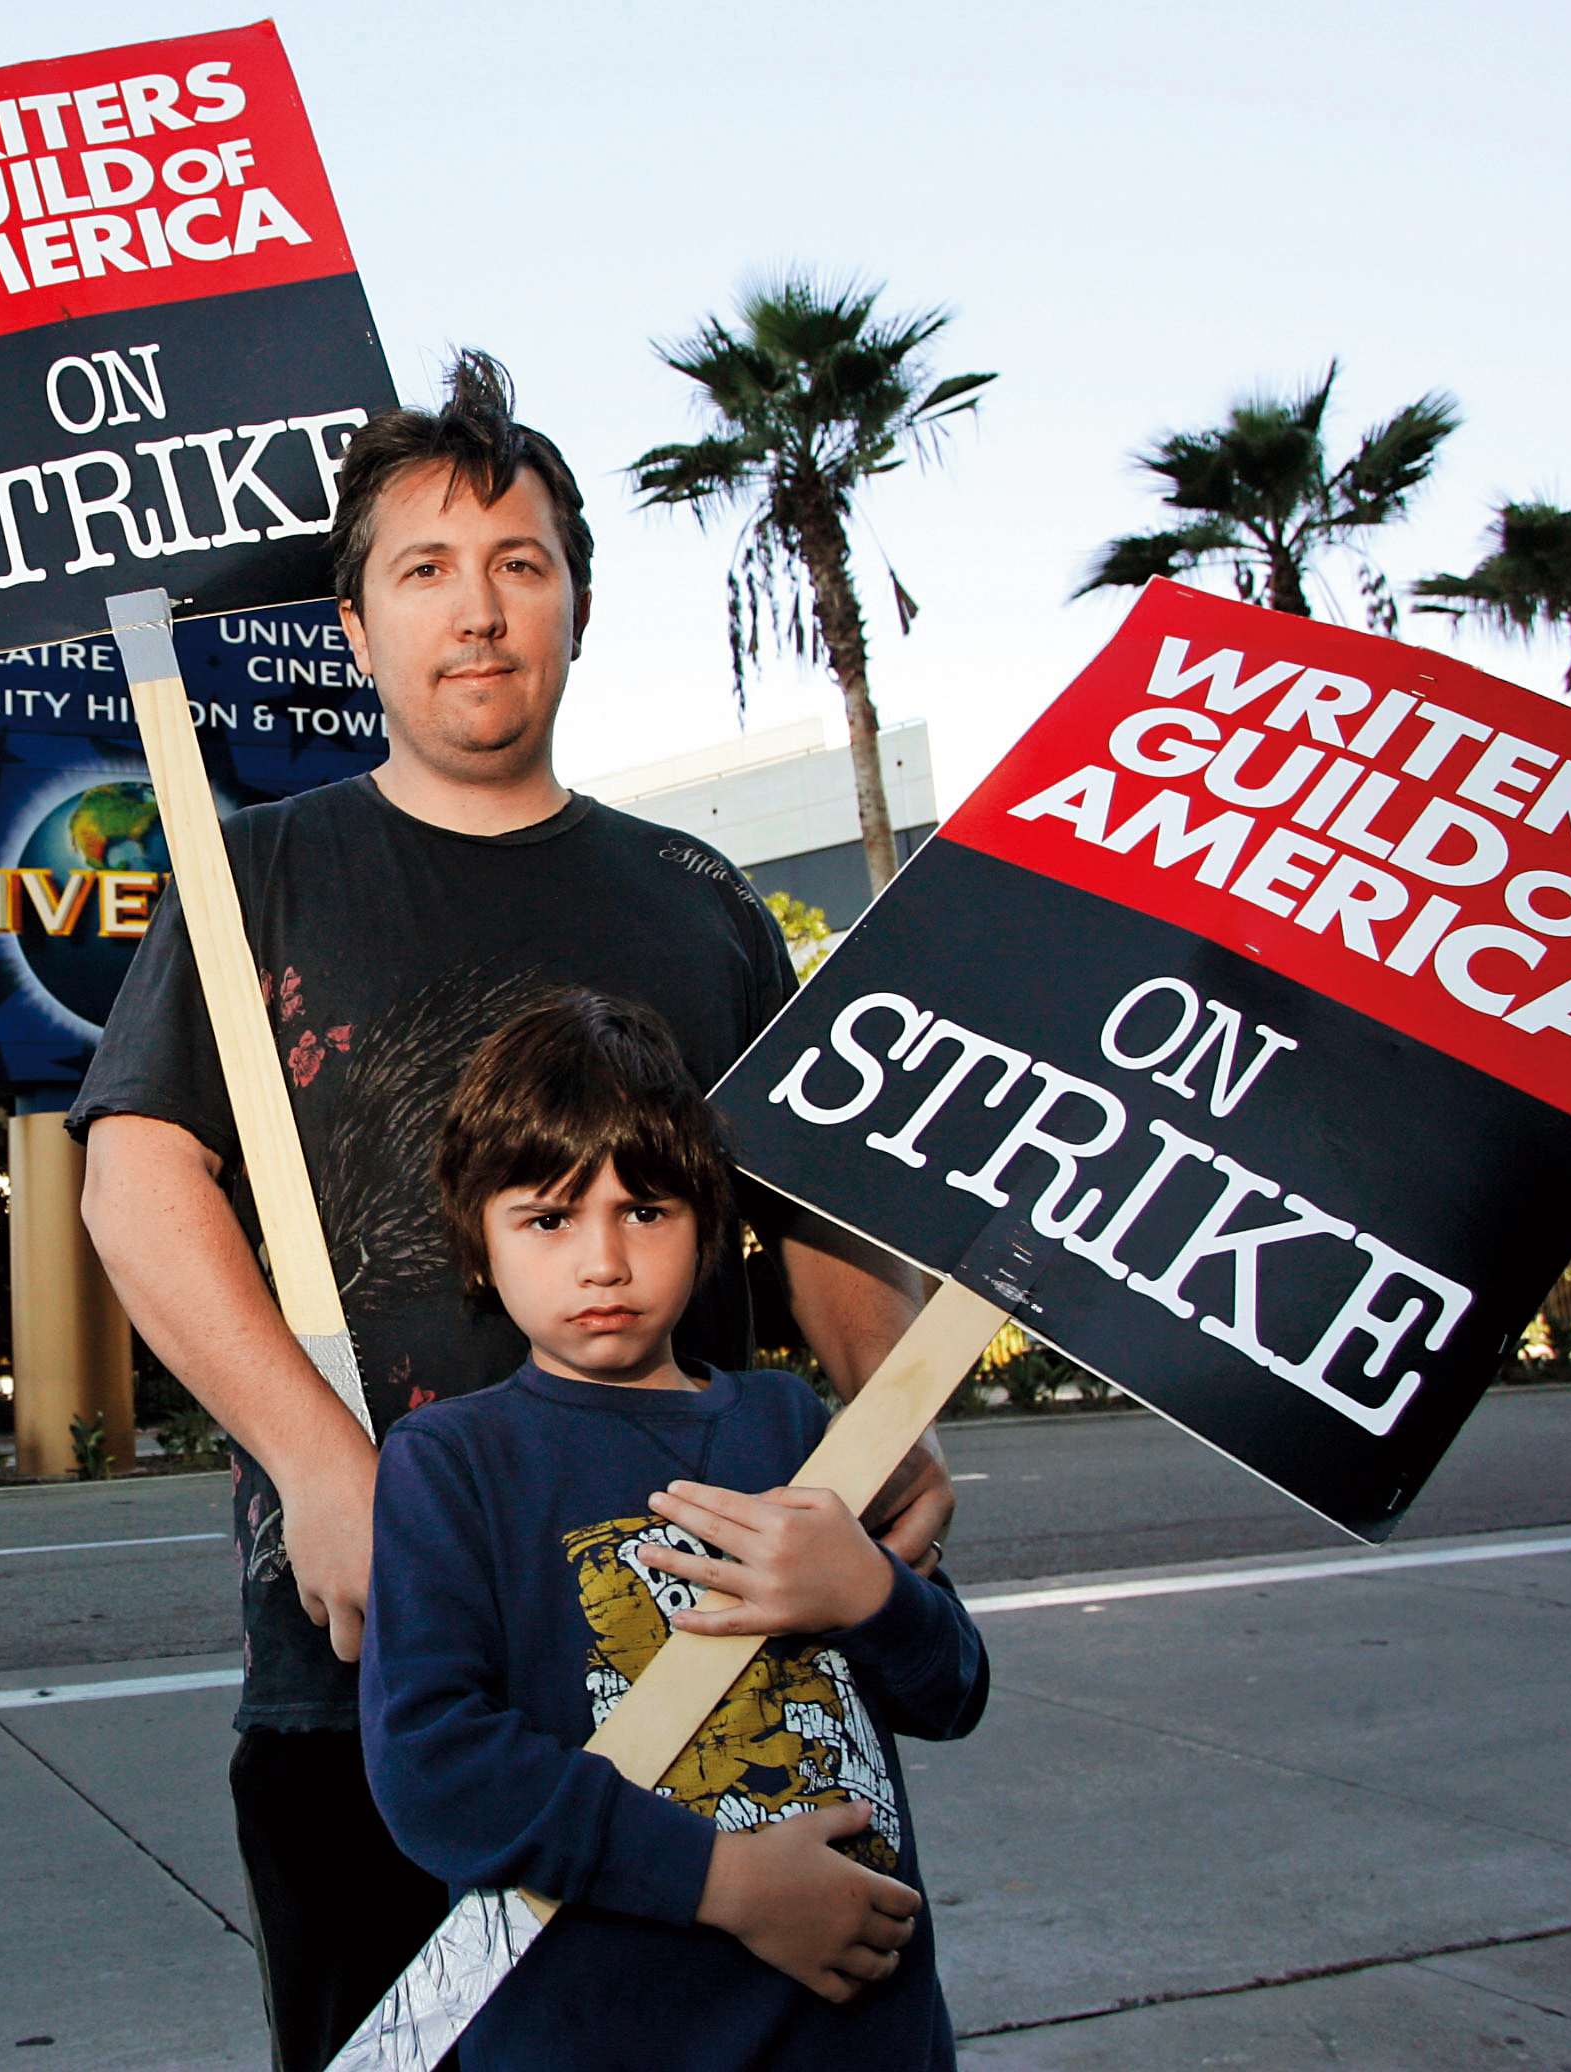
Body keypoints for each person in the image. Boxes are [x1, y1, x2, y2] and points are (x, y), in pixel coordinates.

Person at [71, 351, 954, 2070]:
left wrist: (881, 1424)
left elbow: (812, 1210)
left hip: (713, 1651)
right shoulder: (255, 870)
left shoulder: (700, 903)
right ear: (353, 630)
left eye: (518, 563)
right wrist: (328, 1476)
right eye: (422, 570)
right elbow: (135, 1176)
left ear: (569, 605)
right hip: (368, 1660)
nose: (474, 611)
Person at [363, 990, 987, 2069]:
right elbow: (434, 1764)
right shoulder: (453, 1464)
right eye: (548, 1217)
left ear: (706, 1227)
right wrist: (726, 1882)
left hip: (861, 2033)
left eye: (643, 1210)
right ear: (478, 1241)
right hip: (609, 2031)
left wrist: (872, 1597)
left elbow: (953, 1689)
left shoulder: (792, 1425)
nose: (601, 1259)